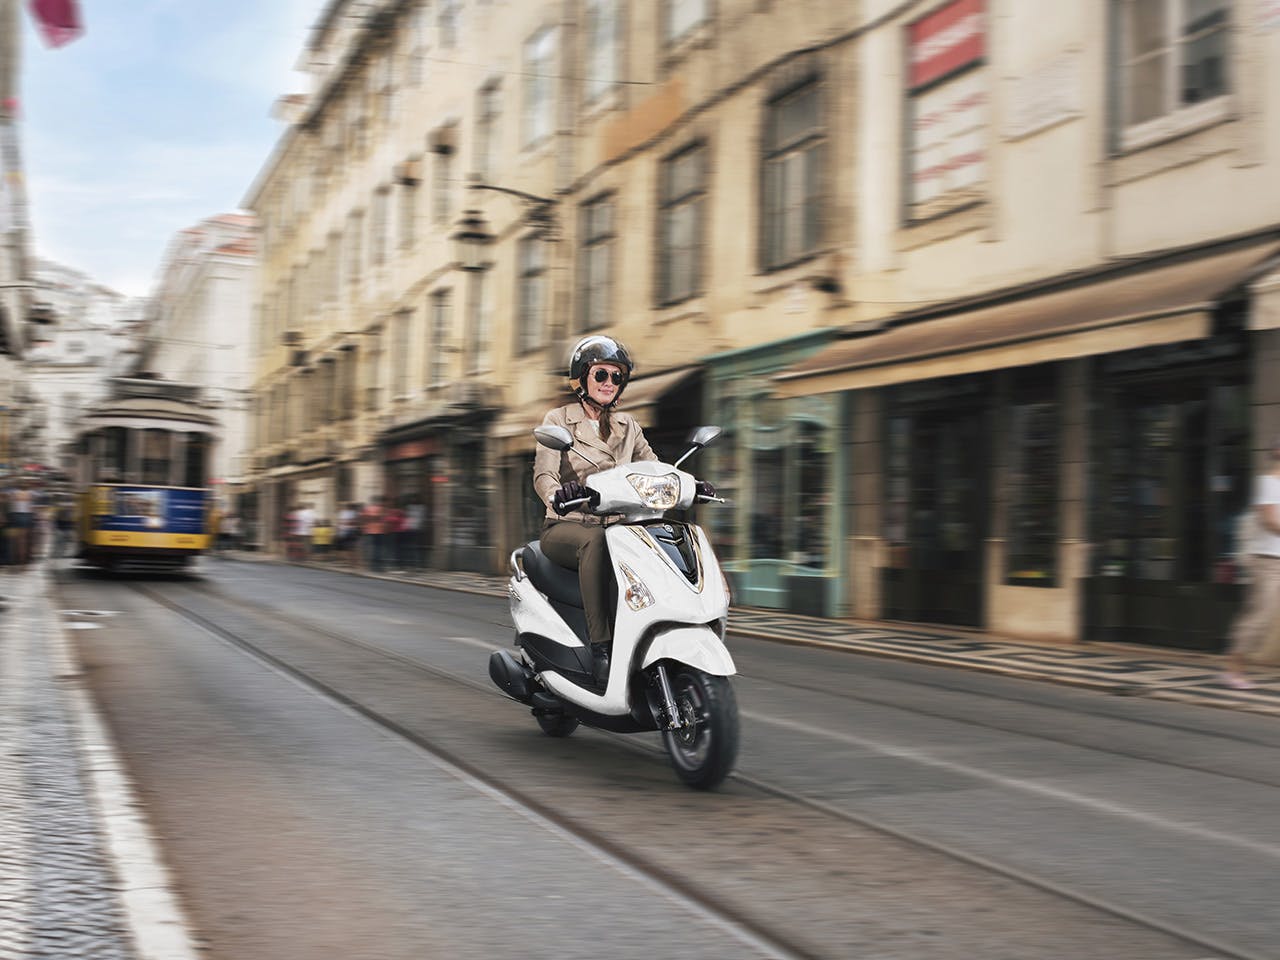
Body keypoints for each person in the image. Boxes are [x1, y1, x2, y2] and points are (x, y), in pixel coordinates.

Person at [533, 335, 714, 688]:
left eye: (617, 377)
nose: (609, 384)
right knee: (595, 543)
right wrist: (558, 493)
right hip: (567, 527)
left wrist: (691, 484)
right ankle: (601, 647)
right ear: (582, 378)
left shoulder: (628, 426)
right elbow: (543, 474)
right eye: (601, 375)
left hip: (622, 528)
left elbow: (657, 467)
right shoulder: (558, 419)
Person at [1223, 437, 1280, 690]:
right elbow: (1269, 521)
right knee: (1259, 617)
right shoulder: (1268, 483)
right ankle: (1233, 669)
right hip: (1268, 561)